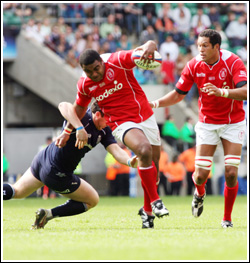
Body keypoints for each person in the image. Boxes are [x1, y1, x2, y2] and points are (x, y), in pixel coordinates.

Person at [55, 40, 169, 229]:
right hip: (119, 122)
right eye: (88, 71)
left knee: (153, 167)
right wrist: (68, 131)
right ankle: (157, 201)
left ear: (102, 62)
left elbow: (141, 51)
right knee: (143, 149)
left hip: (145, 115)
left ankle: (147, 212)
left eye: (95, 69)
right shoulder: (85, 83)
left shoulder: (118, 60)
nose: (93, 74)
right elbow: (80, 109)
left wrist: (150, 44)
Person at [150, 29, 247, 228]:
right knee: (201, 175)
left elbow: (245, 92)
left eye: (204, 46)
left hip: (233, 122)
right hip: (207, 124)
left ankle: (226, 218)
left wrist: (222, 92)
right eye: (198, 45)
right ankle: (199, 193)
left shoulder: (233, 62)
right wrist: (155, 104)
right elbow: (178, 94)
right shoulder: (193, 65)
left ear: (216, 47)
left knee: (230, 173)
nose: (200, 49)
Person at [3, 101, 138, 229]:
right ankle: (49, 214)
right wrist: (79, 127)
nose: (110, 122)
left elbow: (115, 150)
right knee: (92, 200)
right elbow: (63, 105)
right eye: (108, 118)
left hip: (44, 159)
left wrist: (128, 161)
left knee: (17, 191)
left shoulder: (104, 130)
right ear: (97, 114)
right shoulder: (83, 116)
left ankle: (45, 214)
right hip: (56, 172)